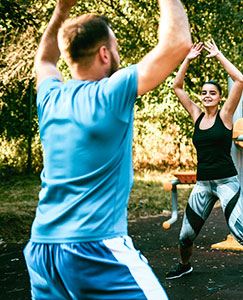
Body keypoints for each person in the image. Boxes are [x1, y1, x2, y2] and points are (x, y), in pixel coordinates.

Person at [23, 0, 191, 299]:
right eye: (114, 47)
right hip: (94, 247)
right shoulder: (112, 92)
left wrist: (61, 9)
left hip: (42, 250)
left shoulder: (50, 97)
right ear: (104, 53)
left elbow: (45, 60)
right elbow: (177, 43)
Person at [165, 40, 243, 290]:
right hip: (204, 184)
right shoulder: (196, 115)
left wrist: (219, 55)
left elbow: (240, 80)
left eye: (212, 92)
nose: (207, 96)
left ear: (220, 97)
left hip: (226, 183)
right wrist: (188, 59)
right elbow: (176, 86)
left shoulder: (225, 115)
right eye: (204, 93)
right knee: (185, 236)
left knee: (239, 231)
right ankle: (184, 265)